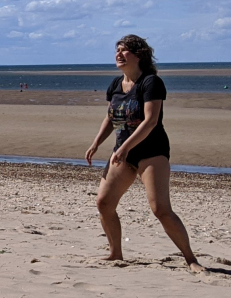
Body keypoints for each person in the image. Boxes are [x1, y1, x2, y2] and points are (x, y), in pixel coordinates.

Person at [85, 34, 199, 268]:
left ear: (139, 56)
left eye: (124, 50)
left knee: (160, 209)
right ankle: (115, 253)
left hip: (152, 152)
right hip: (123, 153)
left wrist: (125, 147)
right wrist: (96, 143)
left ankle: (191, 259)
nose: (118, 54)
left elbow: (150, 121)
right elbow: (111, 117)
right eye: (117, 50)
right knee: (104, 203)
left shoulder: (150, 82)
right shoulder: (116, 84)